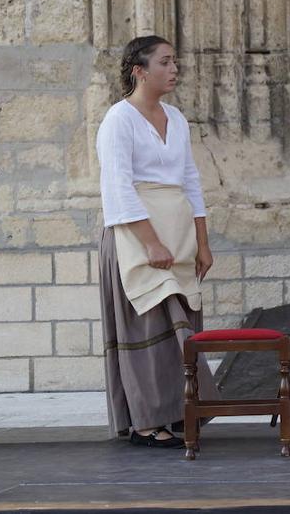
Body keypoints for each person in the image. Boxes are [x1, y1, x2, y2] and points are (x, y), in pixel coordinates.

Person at [96, 35, 218, 449]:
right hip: (137, 234)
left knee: (182, 322)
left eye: (175, 61)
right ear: (139, 70)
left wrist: (202, 243)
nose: (174, 68)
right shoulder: (119, 119)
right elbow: (118, 186)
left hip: (178, 233)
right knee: (150, 322)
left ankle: (180, 409)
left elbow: (190, 182)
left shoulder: (176, 118)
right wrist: (150, 243)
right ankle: (146, 419)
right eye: (165, 62)